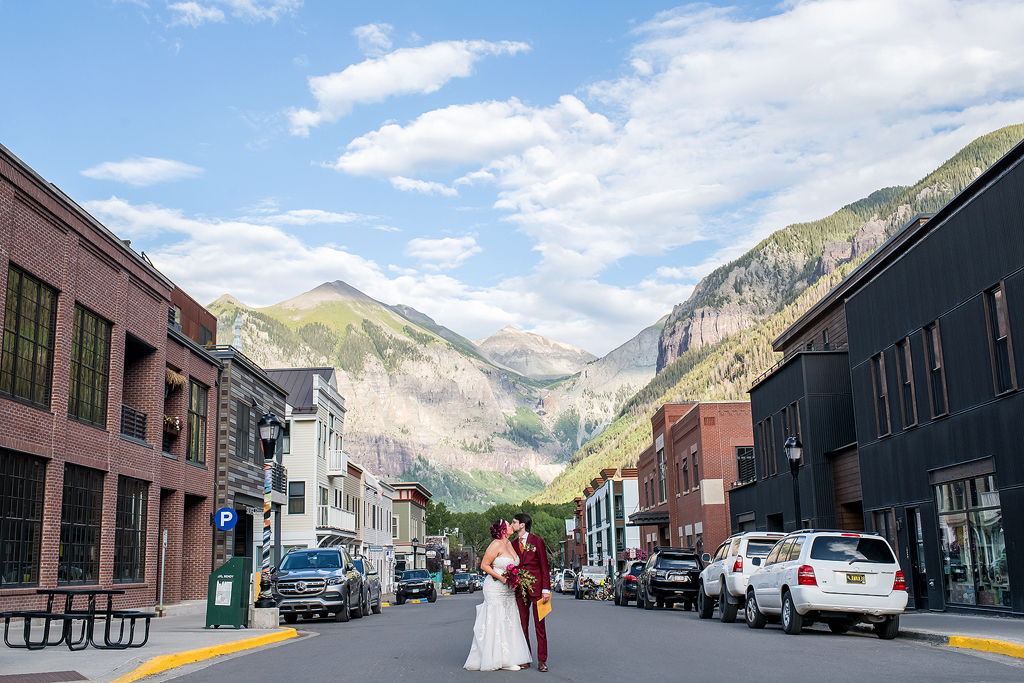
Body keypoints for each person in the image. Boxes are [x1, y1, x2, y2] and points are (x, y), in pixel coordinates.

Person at [464, 519, 532, 672]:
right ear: (502, 529)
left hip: (509, 590)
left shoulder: (510, 544)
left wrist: (516, 576)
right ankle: (494, 657)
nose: (510, 526)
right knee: (497, 619)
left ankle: (509, 657)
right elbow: (484, 565)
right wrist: (501, 577)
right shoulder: (496, 544)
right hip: (495, 587)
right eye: (508, 525)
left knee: (509, 619)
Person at [510, 513, 551, 673]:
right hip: (520, 589)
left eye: (514, 522)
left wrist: (546, 590)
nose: (512, 525)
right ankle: (525, 658)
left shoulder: (537, 541)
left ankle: (542, 660)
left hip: (538, 590)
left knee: (540, 626)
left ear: (522, 525)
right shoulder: (513, 544)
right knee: (522, 626)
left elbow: (544, 567)